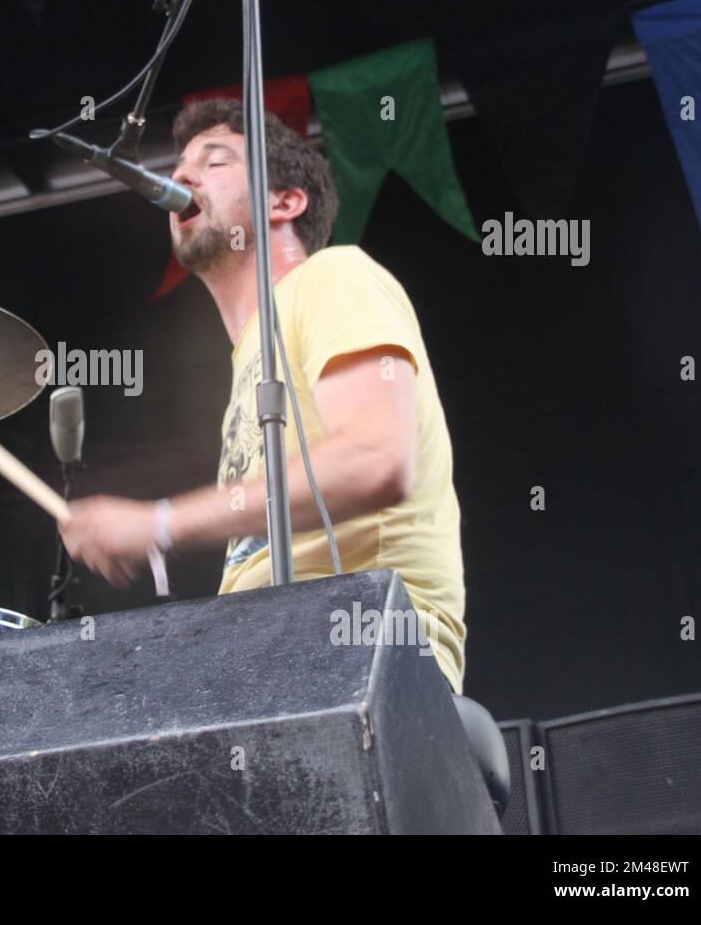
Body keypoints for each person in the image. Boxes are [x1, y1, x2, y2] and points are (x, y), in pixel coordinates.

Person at [57, 98, 467, 693]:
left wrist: (162, 522)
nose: (181, 177)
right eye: (179, 167)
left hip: (366, 652)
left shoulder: (333, 277)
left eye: (214, 161)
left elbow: (377, 461)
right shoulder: (250, 356)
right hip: (277, 656)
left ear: (285, 202)